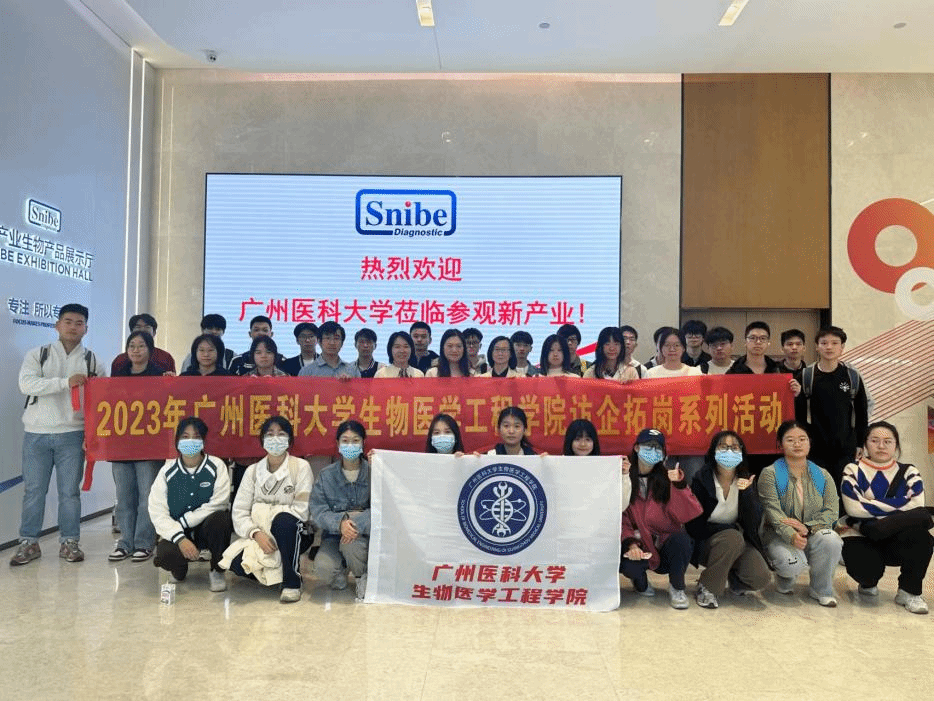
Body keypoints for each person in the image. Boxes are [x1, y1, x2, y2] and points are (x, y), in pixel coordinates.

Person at [11, 304, 104, 566]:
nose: (73, 327)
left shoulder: (93, 361)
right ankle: (28, 542)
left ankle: (69, 542)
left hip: (73, 434)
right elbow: (26, 384)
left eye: (79, 323)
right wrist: (65, 382)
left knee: (69, 493)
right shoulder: (38, 354)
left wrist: (91, 435)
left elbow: (100, 403)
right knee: (34, 492)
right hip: (36, 433)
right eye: (68, 321)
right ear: (57, 325)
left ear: (86, 328)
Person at [838, 421, 932, 614]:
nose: (881, 446)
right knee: (867, 572)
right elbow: (854, 508)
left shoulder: (909, 472)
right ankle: (867, 583)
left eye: (888, 441)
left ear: (896, 445)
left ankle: (909, 591)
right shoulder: (852, 469)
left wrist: (870, 504)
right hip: (860, 536)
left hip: (893, 537)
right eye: (875, 441)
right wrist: (899, 505)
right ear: (865, 444)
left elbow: (917, 504)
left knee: (922, 538)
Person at [221, 416, 313, 603]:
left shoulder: (301, 467)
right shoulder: (252, 471)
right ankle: (277, 571)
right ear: (262, 440)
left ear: (290, 440)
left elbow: (302, 510)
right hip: (259, 534)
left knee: (284, 521)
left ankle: (292, 582)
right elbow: (239, 511)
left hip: (293, 533)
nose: (275, 439)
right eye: (270, 434)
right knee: (236, 564)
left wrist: (270, 522)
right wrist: (256, 534)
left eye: (281, 434)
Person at [757, 420, 843, 607]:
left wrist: (808, 528)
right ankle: (785, 577)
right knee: (791, 563)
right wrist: (791, 535)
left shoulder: (822, 475)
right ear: (780, 444)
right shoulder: (770, 474)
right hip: (778, 534)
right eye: (790, 440)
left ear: (810, 442)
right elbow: (773, 512)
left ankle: (821, 589)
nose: (797, 444)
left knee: (831, 539)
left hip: (812, 532)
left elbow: (831, 511)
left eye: (802, 439)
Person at [687, 431, 771, 609]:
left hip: (736, 542)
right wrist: (728, 529)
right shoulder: (701, 479)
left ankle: (731, 579)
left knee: (760, 577)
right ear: (714, 451)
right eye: (723, 447)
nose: (729, 452)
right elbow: (693, 525)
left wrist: (748, 494)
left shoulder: (746, 480)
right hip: (706, 542)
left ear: (741, 452)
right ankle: (707, 587)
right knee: (732, 537)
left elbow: (754, 524)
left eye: (734, 447)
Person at [620, 428, 702, 609]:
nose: (653, 450)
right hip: (639, 546)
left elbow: (688, 513)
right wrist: (631, 544)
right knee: (628, 563)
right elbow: (621, 516)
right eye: (648, 445)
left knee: (682, 540)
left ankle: (677, 587)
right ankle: (640, 582)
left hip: (663, 546)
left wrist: (679, 485)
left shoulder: (668, 478)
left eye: (658, 447)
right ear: (636, 448)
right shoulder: (624, 476)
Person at [149, 417, 233, 591]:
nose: (191, 441)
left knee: (221, 520)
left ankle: (217, 570)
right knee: (165, 554)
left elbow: (219, 503)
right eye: (185, 437)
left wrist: (186, 521)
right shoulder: (167, 471)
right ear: (177, 440)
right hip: (177, 531)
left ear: (203, 441)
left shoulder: (216, 466)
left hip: (205, 529)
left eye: (196, 437)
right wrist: (180, 538)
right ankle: (179, 569)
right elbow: (157, 511)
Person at [107, 331, 166, 562]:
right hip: (121, 445)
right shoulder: (118, 376)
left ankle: (144, 542)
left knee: (147, 497)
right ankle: (125, 542)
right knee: (124, 497)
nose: (136, 350)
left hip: (149, 446)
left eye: (141, 346)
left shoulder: (159, 375)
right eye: (132, 345)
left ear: (150, 350)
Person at [795, 326, 869, 491]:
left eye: (835, 343)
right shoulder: (806, 376)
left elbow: (861, 412)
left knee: (844, 491)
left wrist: (860, 443)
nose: (829, 347)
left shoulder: (852, 376)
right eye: (824, 343)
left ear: (842, 347)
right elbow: (798, 414)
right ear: (817, 347)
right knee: (816, 492)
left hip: (845, 447)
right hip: (815, 448)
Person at [310, 420, 371, 600]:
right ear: (337, 444)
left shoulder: (373, 472)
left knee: (351, 544)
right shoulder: (326, 475)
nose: (350, 445)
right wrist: (340, 524)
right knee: (323, 568)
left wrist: (353, 524)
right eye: (345, 441)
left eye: (355, 440)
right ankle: (341, 570)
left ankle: (361, 577)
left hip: (363, 535)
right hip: (333, 536)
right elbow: (318, 510)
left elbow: (381, 508)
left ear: (363, 443)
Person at [110, 313, 175, 375]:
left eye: (147, 327)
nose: (142, 330)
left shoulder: (165, 357)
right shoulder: (120, 360)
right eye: (138, 327)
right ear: (131, 332)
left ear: (154, 332)